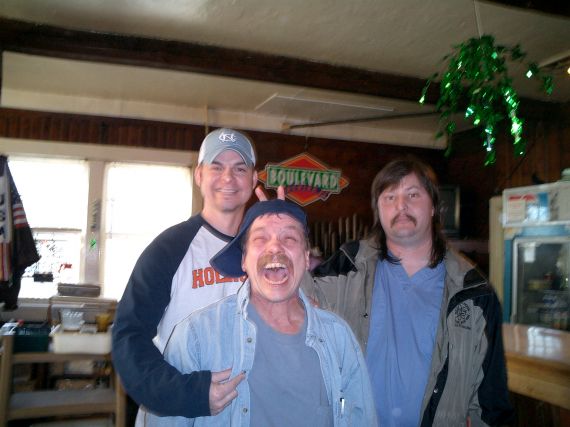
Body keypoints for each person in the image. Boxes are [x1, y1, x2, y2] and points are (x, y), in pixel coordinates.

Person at [311, 156, 513, 426]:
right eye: (389, 197)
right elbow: (294, 299)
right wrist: (277, 235)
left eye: (413, 194)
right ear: (378, 211)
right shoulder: (347, 266)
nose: (401, 205)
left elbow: (490, 404)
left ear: (433, 207)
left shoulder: (474, 293)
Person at [140, 199, 377, 426]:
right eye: (261, 238)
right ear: (244, 260)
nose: (275, 247)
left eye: (290, 238)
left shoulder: (339, 338)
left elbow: (361, 418)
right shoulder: (196, 337)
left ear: (306, 259)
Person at [112, 128, 259, 420]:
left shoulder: (265, 250)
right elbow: (129, 338)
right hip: (179, 414)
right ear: (199, 176)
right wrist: (186, 393)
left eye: (239, 168)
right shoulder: (169, 248)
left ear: (254, 180)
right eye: (216, 167)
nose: (228, 178)